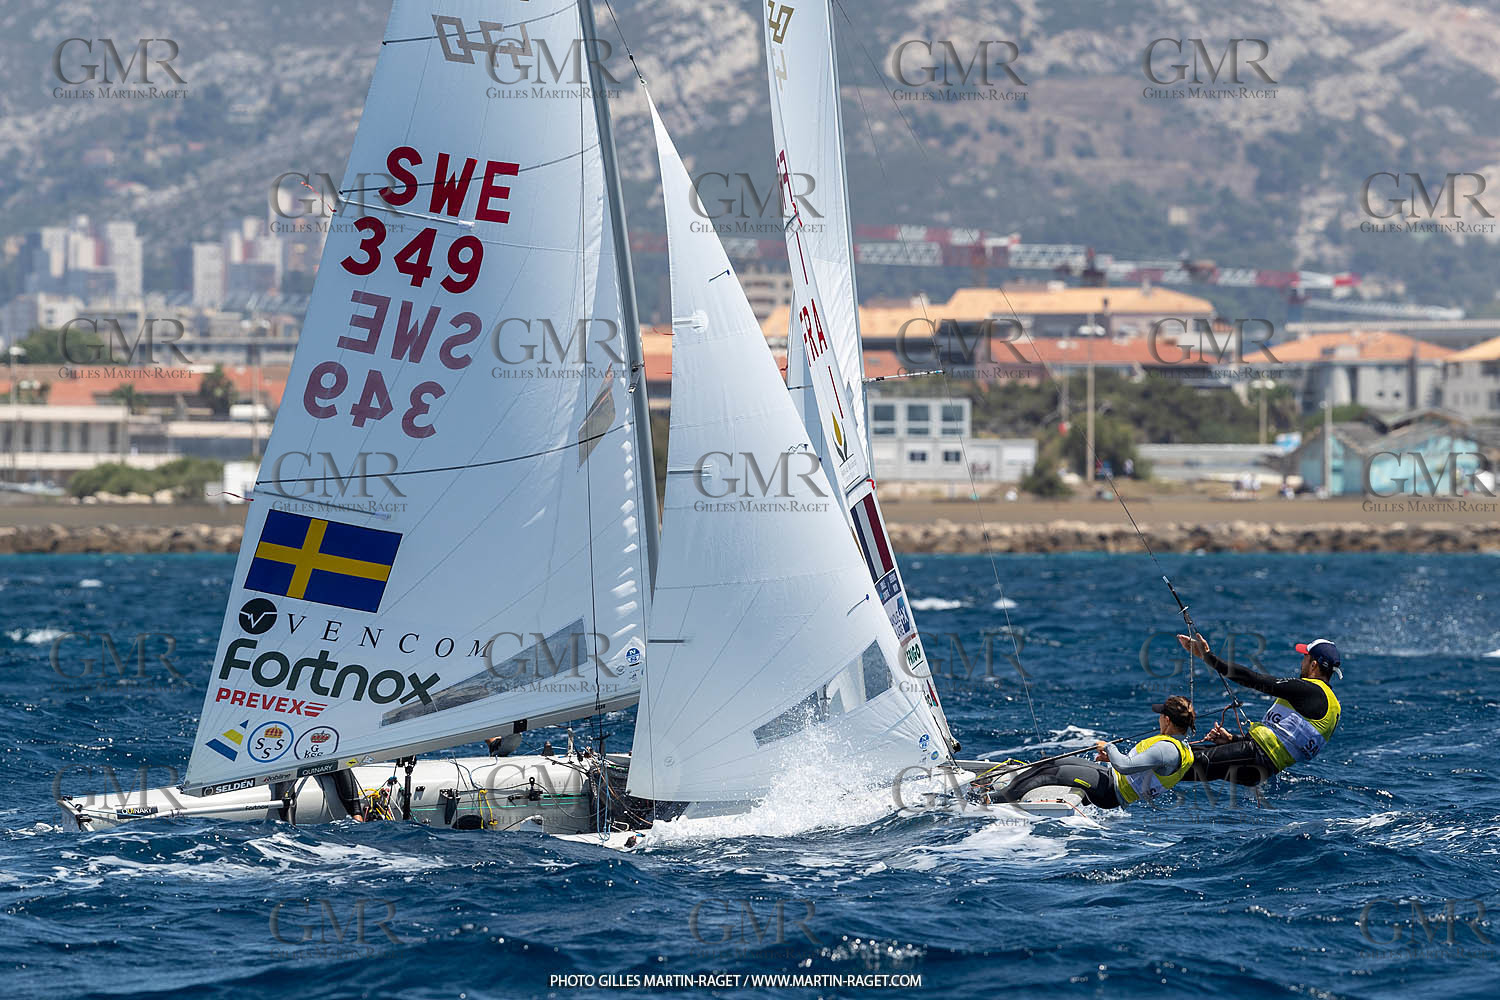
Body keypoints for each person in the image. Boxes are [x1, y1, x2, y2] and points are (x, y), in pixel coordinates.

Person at [1176, 634, 1342, 786]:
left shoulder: (1310, 690)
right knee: (1183, 762)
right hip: (1261, 767)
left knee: (1177, 762)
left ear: (1313, 664)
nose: (1302, 662)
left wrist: (1208, 657)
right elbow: (1286, 741)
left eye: (1305, 656)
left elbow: (1252, 678)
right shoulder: (1332, 705)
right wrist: (1233, 740)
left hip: (1253, 756)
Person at [996, 696, 1197, 809]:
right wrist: (1111, 758)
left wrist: (1110, 747)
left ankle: (995, 803)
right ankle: (1001, 792)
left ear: (1167, 720)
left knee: (1052, 775)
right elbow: (1142, 767)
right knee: (1051, 763)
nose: (1159, 719)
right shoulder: (1178, 746)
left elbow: (1126, 766)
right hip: (1110, 777)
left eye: (1161, 715)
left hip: (1110, 791)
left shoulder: (1167, 749)